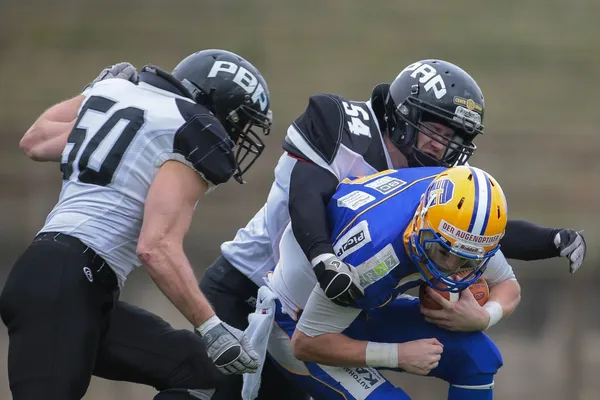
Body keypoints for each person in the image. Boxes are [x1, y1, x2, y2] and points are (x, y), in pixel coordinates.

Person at [199, 59, 586, 399]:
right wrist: (323, 257)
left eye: (455, 141)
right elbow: (307, 198)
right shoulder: (341, 127)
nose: (442, 149)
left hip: (344, 295)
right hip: (252, 283)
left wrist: (550, 240)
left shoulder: (432, 184)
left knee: (477, 354)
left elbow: (476, 232)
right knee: (206, 390)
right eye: (437, 133)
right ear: (404, 116)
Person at [1, 49, 273, 400]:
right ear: (218, 107)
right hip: (65, 282)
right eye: (240, 122)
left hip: (71, 283)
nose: (237, 137)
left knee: (198, 369)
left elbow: (35, 142)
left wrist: (93, 93)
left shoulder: (116, 95)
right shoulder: (189, 128)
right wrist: (212, 327)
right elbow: (155, 247)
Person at [246, 165, 520, 400]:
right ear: (422, 222)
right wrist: (397, 355)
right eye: (444, 252)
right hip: (298, 322)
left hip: (362, 307)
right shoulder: (374, 255)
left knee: (478, 356)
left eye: (465, 261)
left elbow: (508, 284)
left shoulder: (459, 226)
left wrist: (484, 317)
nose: (450, 268)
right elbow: (306, 344)